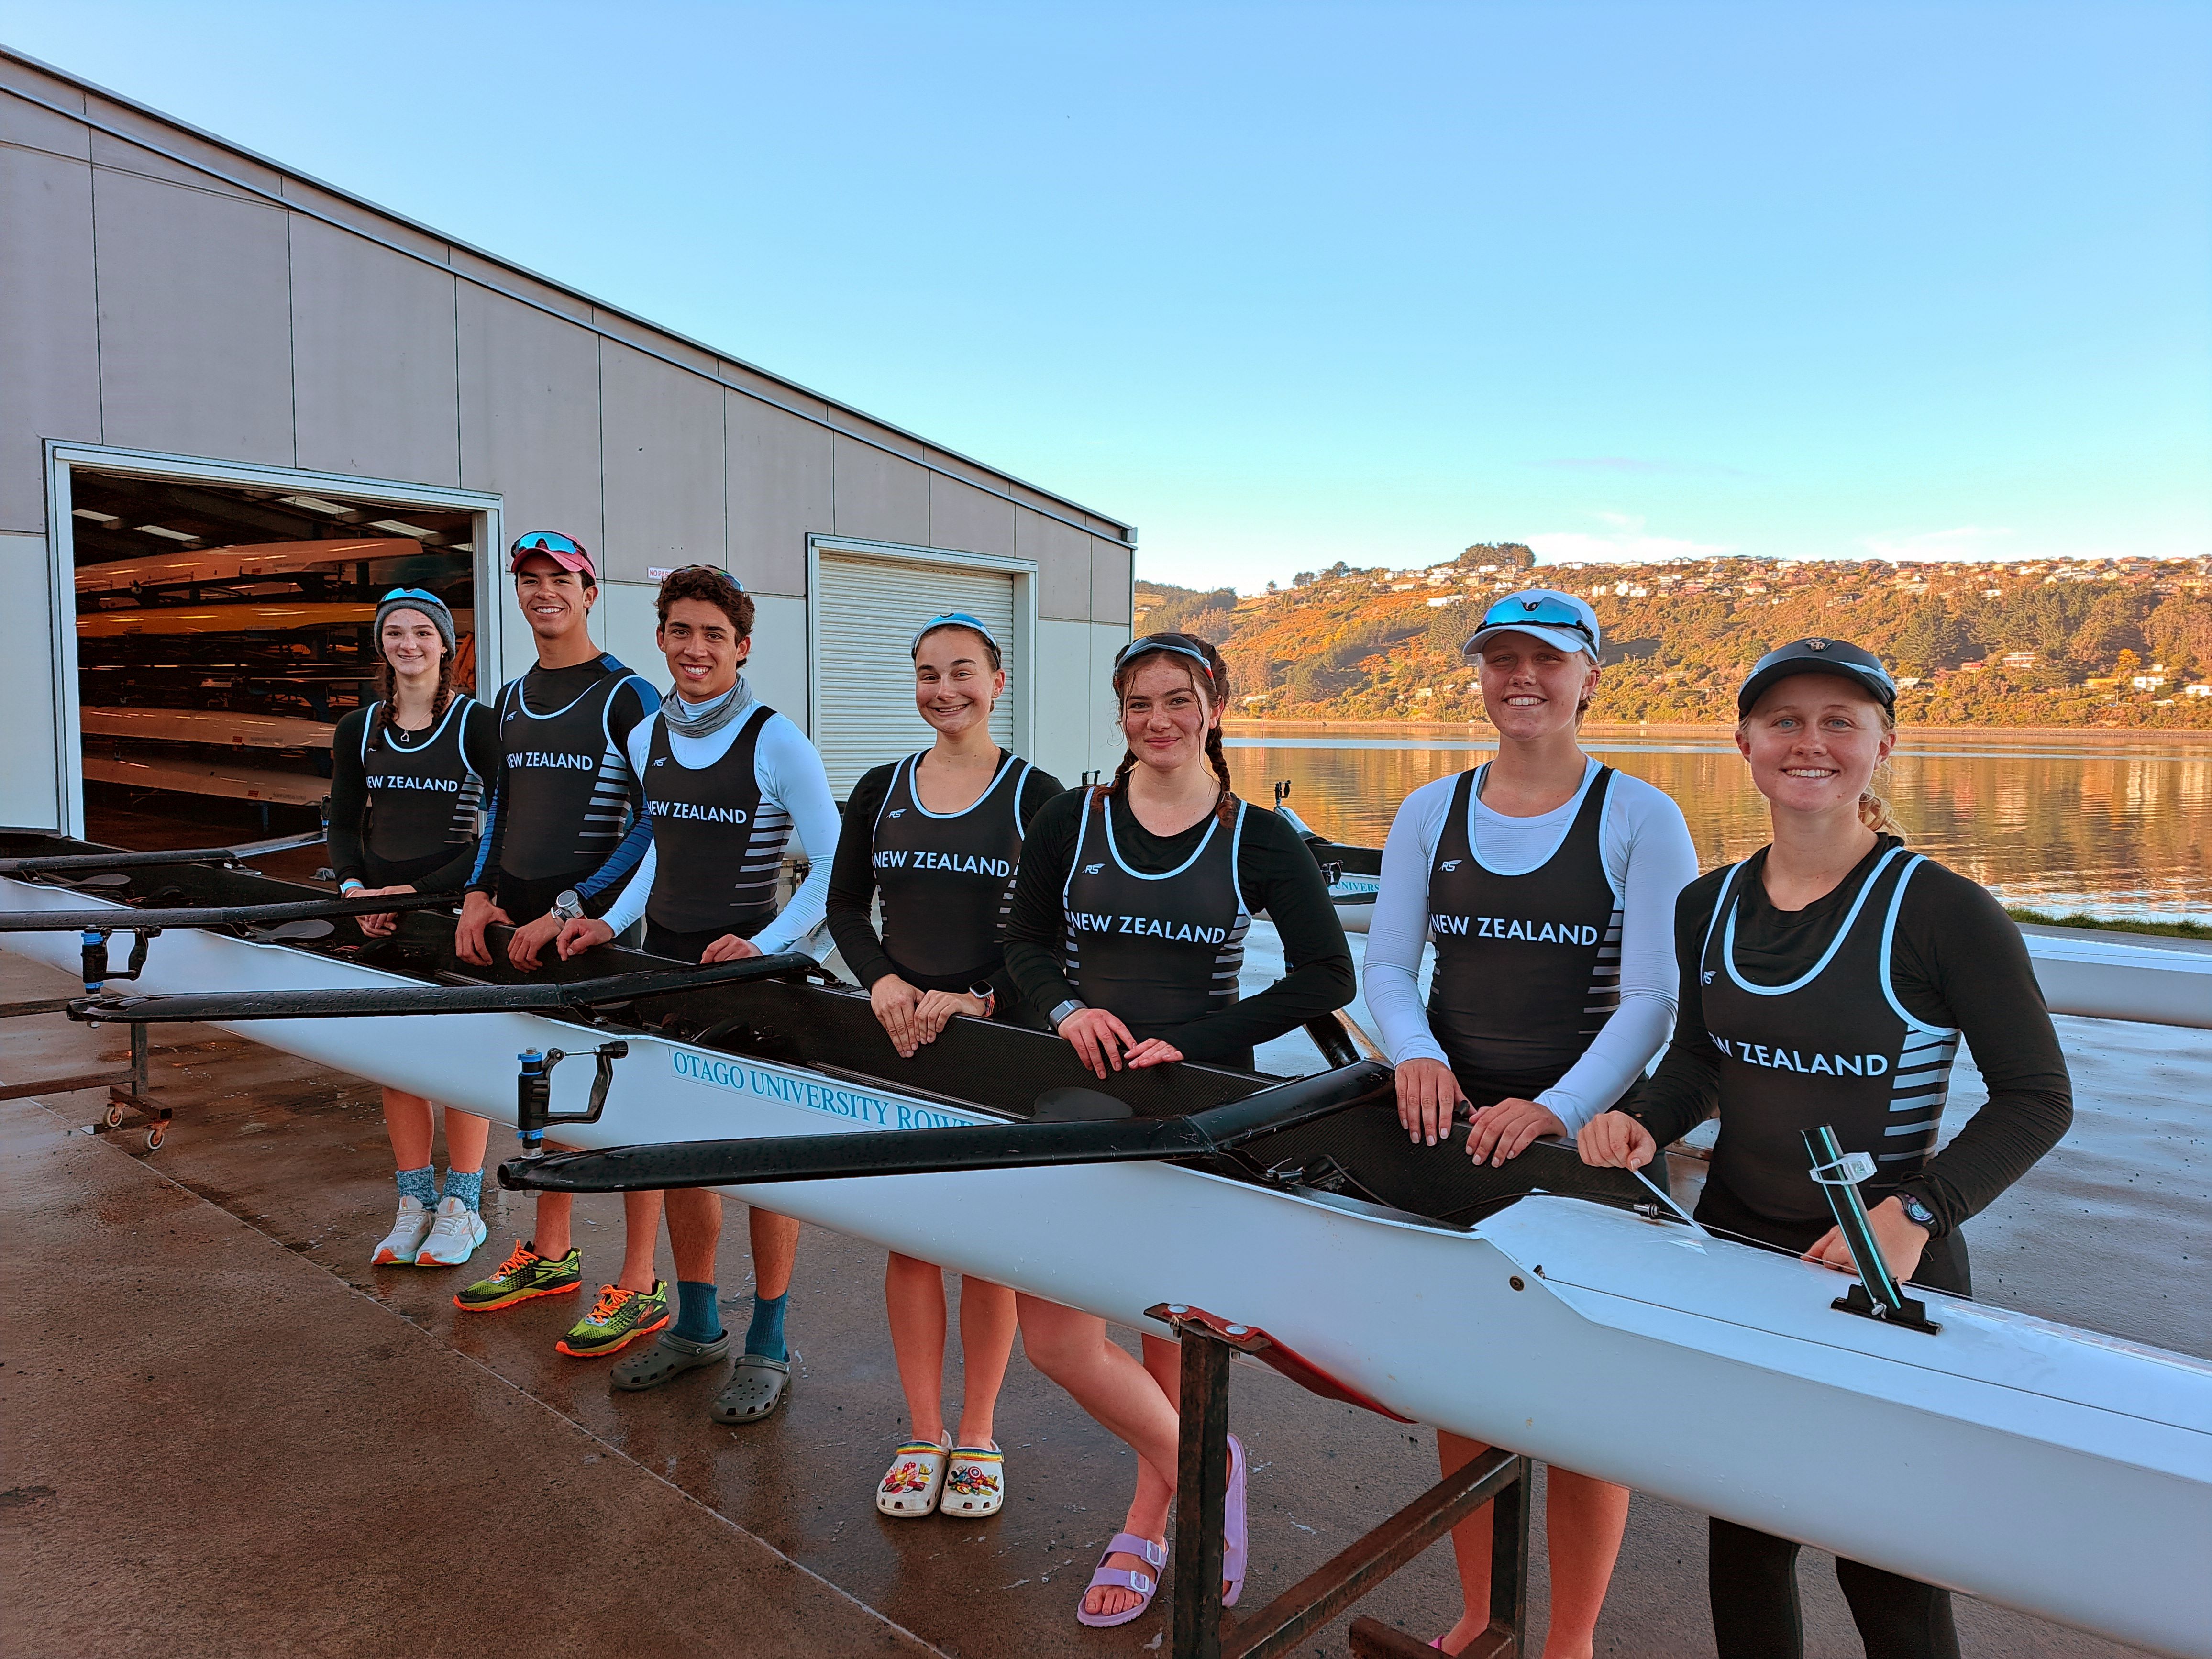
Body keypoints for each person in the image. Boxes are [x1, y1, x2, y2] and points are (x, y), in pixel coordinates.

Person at [1579, 637, 2073, 1659]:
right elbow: (1699, 1064)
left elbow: (2036, 1098)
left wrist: (1918, 1212)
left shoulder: (1941, 911)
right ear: (1745, 743)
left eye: (1838, 721)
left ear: (1881, 745)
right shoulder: (1704, 904)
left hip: (1887, 1269)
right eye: (1784, 722)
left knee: (1883, 1555)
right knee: (1747, 1537)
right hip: (1736, 1255)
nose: (1810, 743)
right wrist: (1645, 1120)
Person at [1363, 589, 1698, 1659]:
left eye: (1546, 661)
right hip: (1455, 1136)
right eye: (1501, 658)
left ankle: (1568, 1644)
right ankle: (1480, 1616)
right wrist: (1415, 1053)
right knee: (1464, 1388)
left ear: (1588, 677)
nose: (1521, 678)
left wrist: (1556, 1109)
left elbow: (1652, 1000)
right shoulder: (1429, 810)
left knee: (1578, 1410)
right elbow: (1387, 966)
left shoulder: (1640, 815)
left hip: (1578, 1151)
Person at [1000, 631, 1355, 1626]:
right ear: (1118, 715)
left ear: (1215, 706)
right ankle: (1205, 1465)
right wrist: (1068, 1010)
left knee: (1170, 1332)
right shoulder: (1074, 818)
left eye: (1177, 700)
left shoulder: (1259, 836)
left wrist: (1189, 1042)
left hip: (1195, 1111)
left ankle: (1150, 1516)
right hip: (1072, 1100)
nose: (1157, 720)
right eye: (1137, 703)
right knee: (1057, 1339)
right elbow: (1022, 945)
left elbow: (1328, 977)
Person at [548, 564, 841, 1421]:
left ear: (742, 647)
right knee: (682, 1156)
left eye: (715, 634)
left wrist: (767, 947)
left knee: (761, 1171)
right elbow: (656, 854)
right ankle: (698, 1324)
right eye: (682, 630)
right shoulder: (645, 738)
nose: (697, 647)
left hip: (757, 983)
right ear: (663, 639)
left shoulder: (776, 739)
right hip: (670, 975)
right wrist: (608, 920)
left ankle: (771, 1339)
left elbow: (834, 866)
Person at [824, 612, 1064, 1520]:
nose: (944, 690)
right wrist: (882, 980)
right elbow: (848, 906)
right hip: (901, 1038)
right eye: (927, 674)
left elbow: (1050, 933)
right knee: (914, 1239)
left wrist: (979, 998)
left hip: (988, 1043)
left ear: (998, 683)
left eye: (962, 672)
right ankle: (922, 1431)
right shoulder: (881, 787)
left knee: (983, 1245)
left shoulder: (1036, 795)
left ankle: (980, 1430)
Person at [450, 532, 656, 1335]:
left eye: (559, 581)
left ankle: (641, 1283)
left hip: (595, 933)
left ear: (590, 592)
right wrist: (477, 893)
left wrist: (573, 908)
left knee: (629, 1107)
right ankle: (551, 1252)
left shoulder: (628, 697)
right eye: (529, 581)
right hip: (518, 931)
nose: (544, 594)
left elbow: (651, 822)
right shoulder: (507, 699)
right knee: (539, 1090)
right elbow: (498, 808)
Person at [330, 587, 501, 1271]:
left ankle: (463, 1206)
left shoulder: (476, 724)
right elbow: (342, 822)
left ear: (446, 646)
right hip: (376, 916)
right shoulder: (359, 728)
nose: (409, 644)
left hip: (449, 912)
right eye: (395, 633)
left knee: (458, 1060)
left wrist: (416, 891)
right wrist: (355, 893)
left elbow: (498, 833)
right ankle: (414, 1203)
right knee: (396, 1064)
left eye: (422, 633)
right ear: (382, 645)